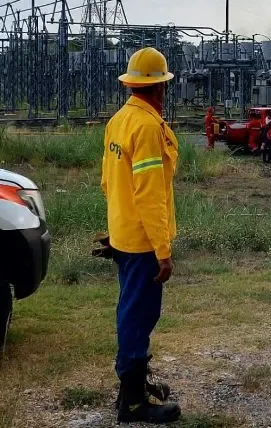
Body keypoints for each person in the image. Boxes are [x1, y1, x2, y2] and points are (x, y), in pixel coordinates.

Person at [101, 47, 181, 424]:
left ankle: (132, 385)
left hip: (125, 235)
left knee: (131, 310)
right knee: (138, 315)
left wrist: (117, 226)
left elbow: (108, 182)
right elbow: (149, 194)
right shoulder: (147, 127)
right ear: (160, 89)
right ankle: (132, 402)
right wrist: (162, 250)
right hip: (142, 242)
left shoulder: (119, 120)